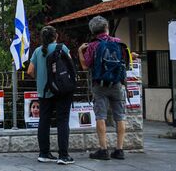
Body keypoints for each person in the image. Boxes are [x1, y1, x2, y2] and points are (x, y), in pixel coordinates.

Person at [77, 15, 127, 160]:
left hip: (99, 85)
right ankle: (119, 149)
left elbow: (85, 66)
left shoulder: (92, 46)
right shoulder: (117, 42)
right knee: (120, 116)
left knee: (101, 116)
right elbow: (125, 60)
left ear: (93, 31)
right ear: (106, 28)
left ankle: (103, 150)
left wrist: (80, 51)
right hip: (117, 84)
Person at [27, 26, 75, 165]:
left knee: (44, 121)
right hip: (61, 90)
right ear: (56, 36)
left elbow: (30, 70)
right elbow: (70, 66)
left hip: (44, 91)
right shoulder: (62, 48)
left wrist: (40, 79)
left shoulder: (37, 51)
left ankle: (44, 153)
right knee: (62, 121)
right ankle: (63, 155)